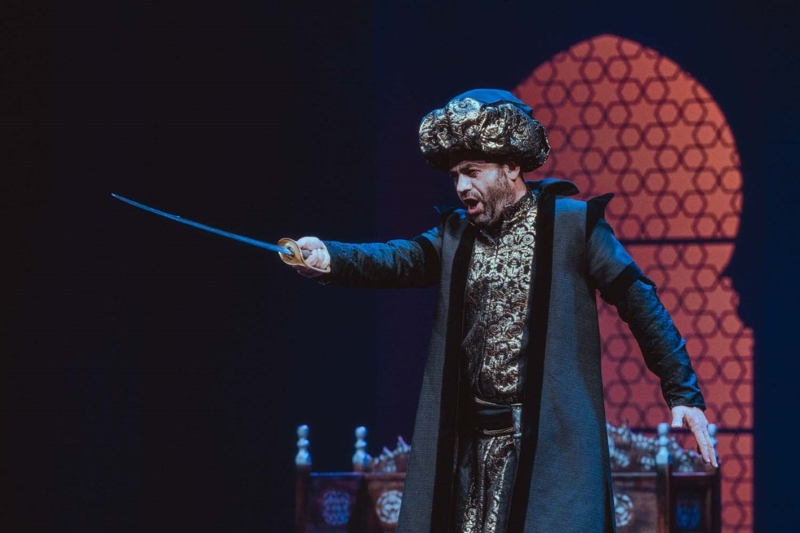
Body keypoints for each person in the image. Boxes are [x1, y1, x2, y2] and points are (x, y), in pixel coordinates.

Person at [289, 89, 717, 533]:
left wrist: (682, 391)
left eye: (472, 172)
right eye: (455, 176)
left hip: (546, 451)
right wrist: (330, 257)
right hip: (472, 455)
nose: (461, 187)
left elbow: (638, 299)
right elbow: (399, 259)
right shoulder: (456, 235)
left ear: (512, 167)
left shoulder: (572, 226)